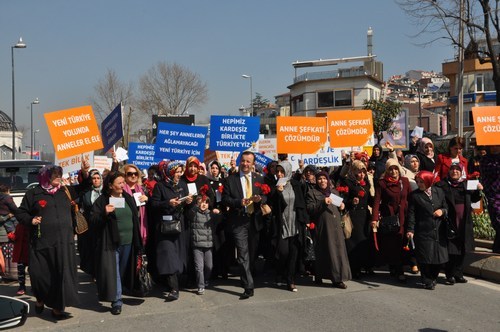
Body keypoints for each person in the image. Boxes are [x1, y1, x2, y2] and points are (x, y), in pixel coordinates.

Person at [15, 165, 80, 320]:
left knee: (60, 275)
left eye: (59, 174)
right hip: (41, 243)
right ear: (45, 177)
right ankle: (40, 298)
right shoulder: (33, 193)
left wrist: (84, 171)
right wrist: (31, 219)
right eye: (55, 174)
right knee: (39, 275)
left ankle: (57, 309)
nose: (58, 176)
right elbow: (21, 212)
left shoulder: (65, 191)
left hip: (64, 243)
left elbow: (85, 186)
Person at [91, 171, 143, 315]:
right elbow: (93, 220)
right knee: (114, 271)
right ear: (110, 186)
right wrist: (104, 213)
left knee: (121, 270)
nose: (122, 185)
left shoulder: (127, 197)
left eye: (123, 182)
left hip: (128, 241)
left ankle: (115, 291)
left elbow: (135, 217)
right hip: (111, 242)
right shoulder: (102, 200)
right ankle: (117, 301)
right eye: (119, 183)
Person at [221, 151, 268, 299]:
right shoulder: (230, 179)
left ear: (253, 164)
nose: (245, 164)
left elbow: (266, 195)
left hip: (254, 220)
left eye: (249, 162)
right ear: (240, 161)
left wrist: (260, 198)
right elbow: (225, 199)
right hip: (238, 221)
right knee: (242, 254)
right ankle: (249, 286)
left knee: (252, 253)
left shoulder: (259, 178)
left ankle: (245, 277)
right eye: (243, 161)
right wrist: (238, 202)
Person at [151, 161, 193, 301]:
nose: (179, 174)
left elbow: (187, 204)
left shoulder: (182, 185)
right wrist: (167, 203)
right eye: (177, 172)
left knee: (179, 255)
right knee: (168, 255)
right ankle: (174, 288)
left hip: (180, 225)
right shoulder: (160, 186)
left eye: (181, 172)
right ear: (170, 172)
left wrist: (188, 202)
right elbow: (154, 204)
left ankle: (173, 283)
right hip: (165, 227)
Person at [435, 162, 482, 284]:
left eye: (457, 170)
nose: (454, 172)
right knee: (451, 249)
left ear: (461, 172)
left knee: (462, 248)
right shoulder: (442, 185)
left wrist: (478, 190)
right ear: (448, 171)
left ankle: (458, 273)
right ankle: (449, 274)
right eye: (452, 169)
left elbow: (475, 198)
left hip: (464, 221)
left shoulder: (466, 184)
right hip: (449, 220)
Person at [306, 171, 351, 289]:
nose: (322, 181)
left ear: (328, 180)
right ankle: (320, 274)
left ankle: (337, 278)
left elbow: (339, 206)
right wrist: (322, 202)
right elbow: (310, 209)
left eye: (324, 179)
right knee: (324, 252)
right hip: (322, 227)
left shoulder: (333, 192)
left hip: (335, 227)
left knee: (337, 252)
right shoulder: (312, 193)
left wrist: (342, 206)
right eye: (320, 179)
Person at [269, 160, 308, 292]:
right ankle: (279, 272)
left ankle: (290, 280)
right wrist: (278, 192)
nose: (279, 174)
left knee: (293, 253)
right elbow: (274, 207)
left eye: (282, 171)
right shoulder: (274, 187)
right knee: (283, 252)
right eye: (278, 171)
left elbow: (302, 203)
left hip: (295, 223)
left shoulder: (295, 185)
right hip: (282, 224)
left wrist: (305, 220)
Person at [371, 159, 411, 282]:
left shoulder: (405, 181)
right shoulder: (382, 183)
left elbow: (410, 197)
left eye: (395, 168)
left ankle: (395, 266)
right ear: (387, 170)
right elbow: (377, 201)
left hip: (404, 216)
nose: (393, 171)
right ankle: (399, 270)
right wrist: (374, 218)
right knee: (394, 243)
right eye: (390, 169)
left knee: (402, 242)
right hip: (390, 218)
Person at [407, 171, 448, 290]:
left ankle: (433, 277)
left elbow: (446, 207)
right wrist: (410, 230)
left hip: (438, 229)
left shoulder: (439, 192)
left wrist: (442, 211)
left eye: (422, 182)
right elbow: (411, 214)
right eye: (418, 182)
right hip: (423, 230)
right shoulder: (415, 196)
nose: (419, 184)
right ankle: (427, 279)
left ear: (429, 181)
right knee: (425, 257)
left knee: (438, 257)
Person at [338, 160, 372, 279]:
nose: (362, 174)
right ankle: (354, 268)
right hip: (353, 215)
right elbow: (341, 200)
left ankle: (364, 265)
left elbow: (369, 199)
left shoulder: (366, 183)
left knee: (364, 240)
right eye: (359, 171)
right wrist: (351, 201)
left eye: (363, 171)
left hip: (364, 215)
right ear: (353, 171)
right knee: (353, 242)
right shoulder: (348, 182)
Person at [188, 195, 220, 295]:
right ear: (197, 203)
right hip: (197, 245)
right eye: (201, 202)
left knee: (209, 266)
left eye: (206, 202)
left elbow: (220, 219)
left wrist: (218, 213)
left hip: (208, 245)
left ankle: (206, 280)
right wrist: (195, 206)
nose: (203, 204)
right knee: (199, 267)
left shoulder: (211, 214)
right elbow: (189, 213)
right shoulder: (194, 213)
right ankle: (200, 286)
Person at [78, 169, 103, 278]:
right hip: (89, 226)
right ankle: (94, 271)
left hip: (102, 225)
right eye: (94, 178)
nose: (96, 180)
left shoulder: (105, 192)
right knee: (91, 249)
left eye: (98, 178)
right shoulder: (87, 193)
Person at [122, 164, 149, 247]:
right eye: (130, 173)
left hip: (139, 224)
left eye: (136, 173)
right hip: (126, 225)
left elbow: (153, 206)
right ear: (124, 175)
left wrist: (147, 199)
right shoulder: (121, 189)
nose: (133, 176)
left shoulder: (143, 189)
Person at [480, 145, 500, 253]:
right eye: (493, 145)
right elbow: (490, 172)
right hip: (493, 194)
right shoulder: (485, 159)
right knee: (497, 219)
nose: (495, 147)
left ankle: (497, 248)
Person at [0, 184, 19, 283]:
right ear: (7, 190)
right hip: (7, 229)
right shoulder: (7, 198)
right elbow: (15, 210)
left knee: (5, 254)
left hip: (5, 230)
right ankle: (10, 275)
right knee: (9, 253)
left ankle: (6, 274)